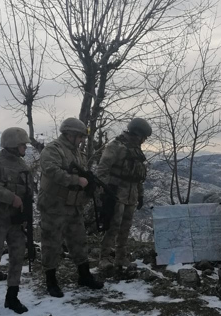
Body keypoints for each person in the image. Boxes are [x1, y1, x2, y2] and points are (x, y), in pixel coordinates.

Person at [38, 117, 103, 296]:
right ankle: (51, 281)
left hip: (73, 205)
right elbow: (51, 171)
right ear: (70, 134)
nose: (82, 140)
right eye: (80, 136)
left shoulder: (77, 153)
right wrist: (76, 180)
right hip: (53, 205)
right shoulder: (53, 150)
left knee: (79, 241)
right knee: (51, 243)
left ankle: (84, 276)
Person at [0, 127, 33, 316]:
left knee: (17, 259)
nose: (25, 147)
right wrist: (11, 197)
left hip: (16, 222)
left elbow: (28, 195)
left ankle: (12, 297)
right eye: (22, 144)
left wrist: (27, 217)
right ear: (12, 144)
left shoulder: (23, 167)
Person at [96, 117, 151, 270]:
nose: (144, 140)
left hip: (131, 194)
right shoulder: (116, 146)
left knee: (125, 227)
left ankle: (121, 257)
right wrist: (103, 192)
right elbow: (102, 170)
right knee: (112, 226)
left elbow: (137, 177)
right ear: (137, 133)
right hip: (115, 193)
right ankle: (104, 258)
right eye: (143, 137)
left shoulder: (135, 150)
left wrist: (140, 195)